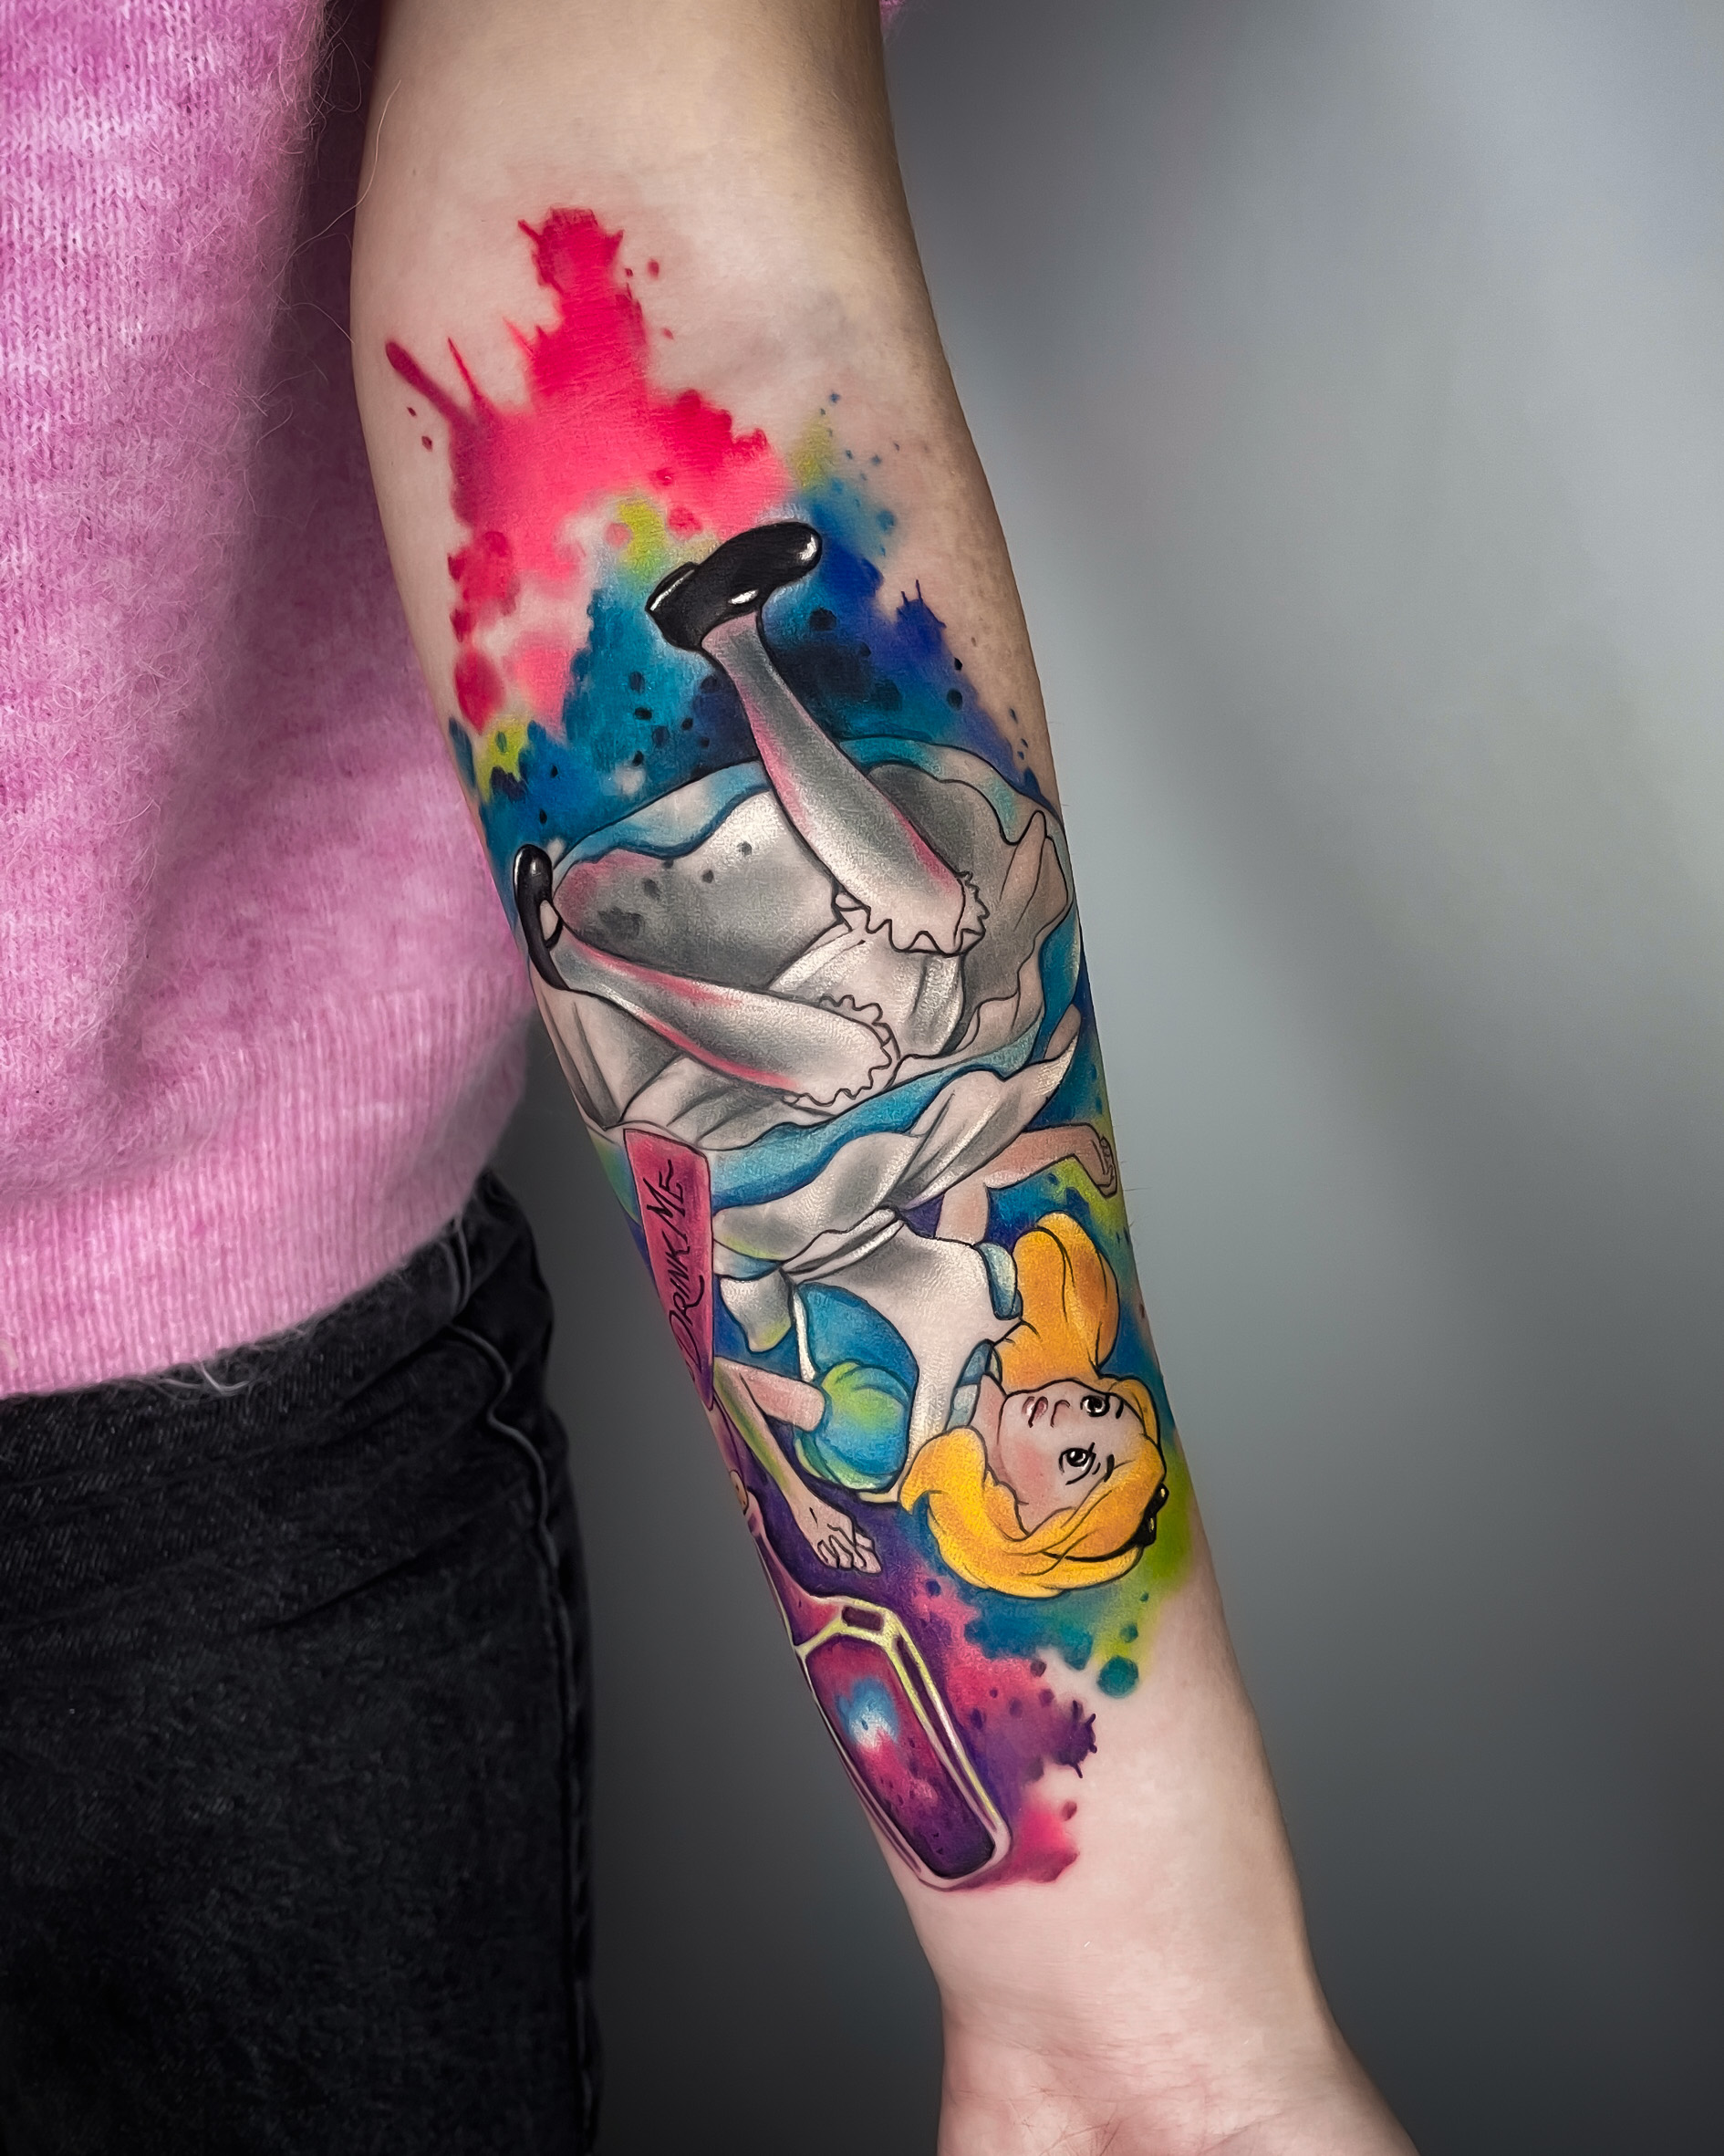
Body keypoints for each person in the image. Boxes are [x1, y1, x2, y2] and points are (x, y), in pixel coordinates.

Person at [1, 5, 1416, 2154]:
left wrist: (1135, 2019)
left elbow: (644, 207)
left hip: (224, 1412)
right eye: (1082, 1441)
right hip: (721, 1057)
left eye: (1063, 1456)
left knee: (884, 970)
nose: (1067, 1431)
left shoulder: (902, 1365)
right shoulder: (948, 1316)